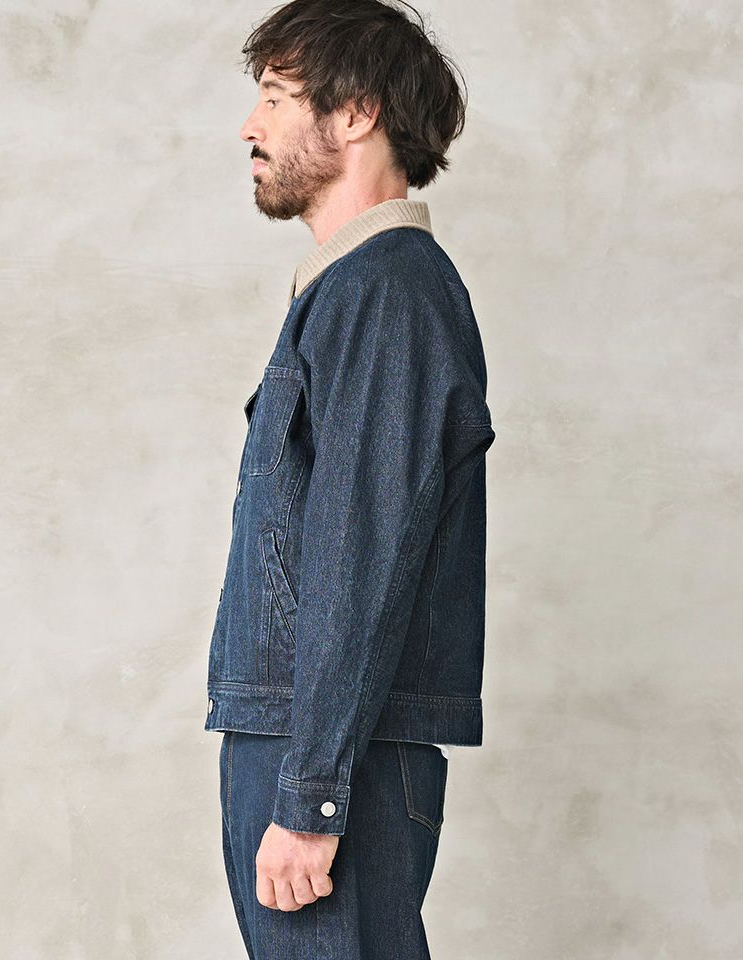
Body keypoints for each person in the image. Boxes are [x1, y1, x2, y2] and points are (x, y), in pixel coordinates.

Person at [204, 2, 496, 956]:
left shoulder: (386, 291)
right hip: (308, 739)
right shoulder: (350, 289)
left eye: (276, 97)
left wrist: (313, 795)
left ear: (358, 111)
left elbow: (360, 553)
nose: (249, 126)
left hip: (330, 753)